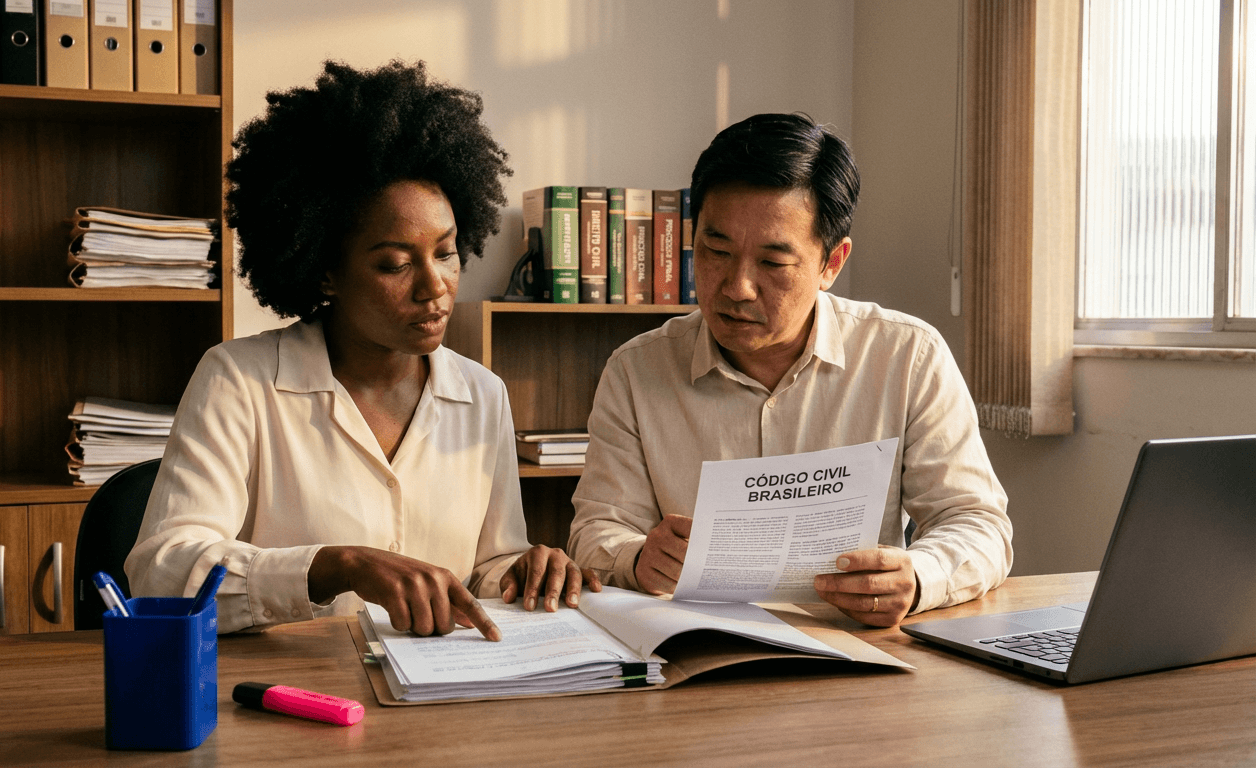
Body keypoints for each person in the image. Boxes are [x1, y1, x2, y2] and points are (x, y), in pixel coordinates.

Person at [127, 60, 598, 638]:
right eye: (395, 264)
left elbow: (483, 569)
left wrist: (521, 570)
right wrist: (332, 566)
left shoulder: (482, 394)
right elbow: (162, 571)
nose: (435, 287)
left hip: (437, 700)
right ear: (326, 272)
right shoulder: (239, 380)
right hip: (289, 699)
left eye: (446, 253)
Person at [568, 113, 1011, 627]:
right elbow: (597, 530)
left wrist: (918, 577)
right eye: (716, 251)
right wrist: (638, 556)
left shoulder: (907, 357)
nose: (737, 287)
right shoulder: (635, 371)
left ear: (832, 264)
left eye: (773, 263)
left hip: (857, 650)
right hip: (698, 652)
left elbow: (977, 522)